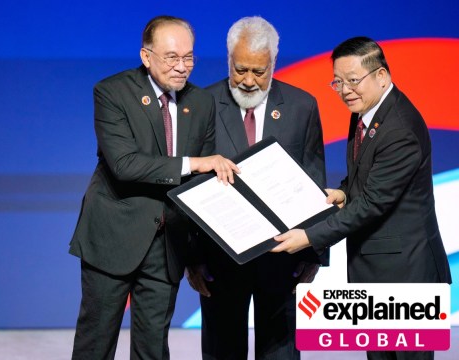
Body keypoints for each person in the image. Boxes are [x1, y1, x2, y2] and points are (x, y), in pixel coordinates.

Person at [69, 15, 239, 360]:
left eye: (189, 57)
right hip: (113, 238)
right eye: (172, 57)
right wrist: (193, 163)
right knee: (95, 343)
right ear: (147, 57)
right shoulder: (112, 92)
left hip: (168, 243)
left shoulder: (202, 102)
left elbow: (203, 184)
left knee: (153, 348)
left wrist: (197, 253)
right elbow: (125, 165)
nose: (182, 67)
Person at [272, 36, 451, 360]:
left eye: (353, 81)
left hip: (406, 274)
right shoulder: (367, 110)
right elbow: (365, 175)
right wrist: (343, 190)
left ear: (381, 75)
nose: (345, 90)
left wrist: (309, 237)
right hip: (374, 268)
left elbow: (372, 203)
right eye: (337, 82)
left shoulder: (400, 130)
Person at [184, 16, 327, 360]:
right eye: (241, 69)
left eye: (259, 72)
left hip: (282, 260)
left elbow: (314, 178)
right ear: (228, 59)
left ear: (273, 64)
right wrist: (192, 258)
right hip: (220, 261)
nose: (248, 81)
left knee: (280, 352)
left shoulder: (301, 106)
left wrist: (314, 252)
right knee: (222, 351)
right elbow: (187, 185)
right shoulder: (202, 104)